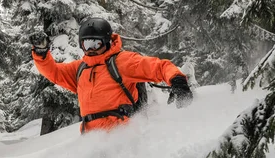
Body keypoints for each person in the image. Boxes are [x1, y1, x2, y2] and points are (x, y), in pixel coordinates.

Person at [31, 17, 193, 132]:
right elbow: (54, 73)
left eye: (96, 43)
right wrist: (41, 52)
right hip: (91, 139)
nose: (91, 48)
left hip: (122, 136)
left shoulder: (122, 62)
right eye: (86, 44)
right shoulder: (80, 69)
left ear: (107, 41)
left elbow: (159, 66)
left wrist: (177, 80)